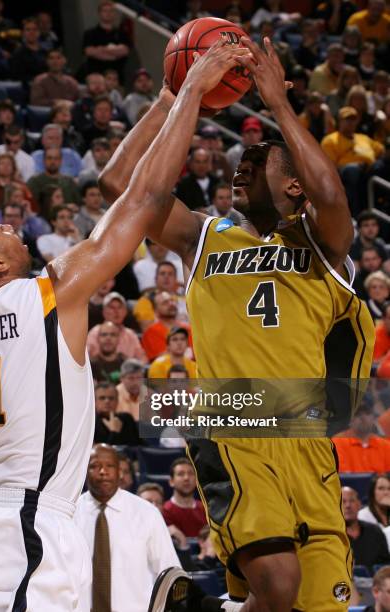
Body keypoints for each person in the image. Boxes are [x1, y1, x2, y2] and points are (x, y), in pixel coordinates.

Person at [0, 38, 251, 610]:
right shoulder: (47, 295)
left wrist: (165, 98)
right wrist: (188, 91)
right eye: (0, 230)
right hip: (21, 526)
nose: (13, 230)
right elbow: (141, 198)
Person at [99, 36, 375, 612]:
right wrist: (176, 97)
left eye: (256, 164)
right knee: (278, 585)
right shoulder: (203, 236)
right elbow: (117, 186)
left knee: (314, 605)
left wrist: (279, 104)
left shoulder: (323, 243)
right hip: (232, 419)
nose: (238, 171)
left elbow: (332, 193)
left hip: (308, 440)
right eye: (238, 162)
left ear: (294, 185)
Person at [74, 444, 180, 612]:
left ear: (120, 472)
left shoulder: (147, 513)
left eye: (110, 466)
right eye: (94, 466)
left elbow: (169, 573)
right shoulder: (69, 514)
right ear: (83, 471)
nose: (103, 471)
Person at [87, 292, 147, 362]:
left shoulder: (130, 334)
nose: (116, 311)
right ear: (104, 311)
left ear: (125, 311)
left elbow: (142, 359)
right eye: (112, 307)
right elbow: (85, 359)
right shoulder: (95, 332)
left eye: (119, 307)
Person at [343, 486, 390, 570]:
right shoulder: (331, 536)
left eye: (352, 501)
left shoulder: (375, 532)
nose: (348, 505)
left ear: (359, 504)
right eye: (343, 502)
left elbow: (385, 566)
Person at [82, 0, 131, 81]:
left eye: (111, 11)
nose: (108, 13)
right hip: (96, 77)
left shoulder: (122, 33)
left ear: (114, 13)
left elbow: (125, 50)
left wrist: (101, 49)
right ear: (99, 13)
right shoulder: (90, 33)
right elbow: (89, 51)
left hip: (117, 78)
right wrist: (113, 54)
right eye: (105, 11)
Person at [333, 403, 390, 472]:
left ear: (374, 418)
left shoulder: (385, 445)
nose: (363, 418)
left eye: (367, 413)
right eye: (358, 415)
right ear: (350, 420)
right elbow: (340, 474)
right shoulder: (337, 443)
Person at [162, 458, 207, 538]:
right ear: (171, 481)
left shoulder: (206, 509)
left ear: (197, 481)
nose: (186, 478)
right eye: (180, 474)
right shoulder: (164, 511)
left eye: (190, 473)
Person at [141, 292, 191, 362]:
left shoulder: (188, 329)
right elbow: (160, 359)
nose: (171, 304)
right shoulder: (151, 333)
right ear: (155, 311)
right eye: (165, 303)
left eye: (172, 301)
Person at [9, 17, 47, 84]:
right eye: (28, 30)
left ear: (39, 32)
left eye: (35, 29)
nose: (31, 32)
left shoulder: (46, 52)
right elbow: (17, 77)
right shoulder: (18, 53)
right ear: (23, 33)